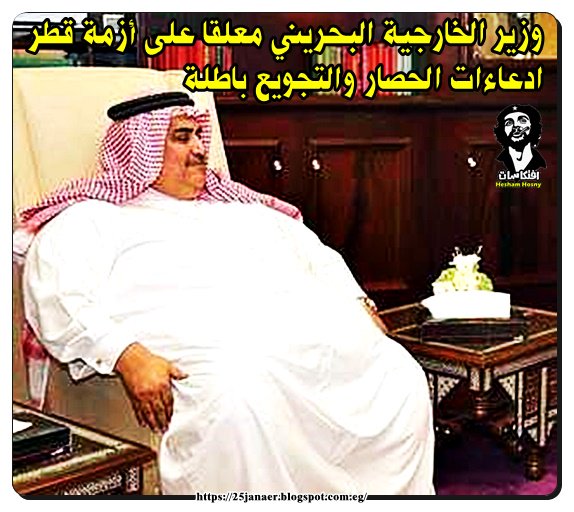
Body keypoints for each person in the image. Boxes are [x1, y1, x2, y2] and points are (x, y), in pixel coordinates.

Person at [17, 92, 434, 495]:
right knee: (243, 394)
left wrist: (357, 301)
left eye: (199, 135)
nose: (200, 148)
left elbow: (318, 257)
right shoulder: (90, 218)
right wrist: (127, 354)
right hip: (209, 355)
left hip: (292, 339)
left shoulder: (242, 210)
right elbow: (58, 296)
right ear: (140, 148)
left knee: (397, 372)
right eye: (182, 137)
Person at [494, 104, 546, 174]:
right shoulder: (492, 163)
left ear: (533, 127)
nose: (515, 126)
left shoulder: (547, 163)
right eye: (509, 123)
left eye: (523, 121)